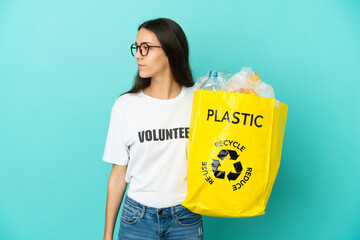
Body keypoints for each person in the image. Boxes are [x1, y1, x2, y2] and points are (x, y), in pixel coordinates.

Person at [102, 18, 203, 240]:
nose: (138, 55)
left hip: (185, 219)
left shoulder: (200, 102)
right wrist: (107, 235)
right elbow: (118, 175)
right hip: (137, 219)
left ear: (169, 51)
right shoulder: (125, 106)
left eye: (145, 48)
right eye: (136, 48)